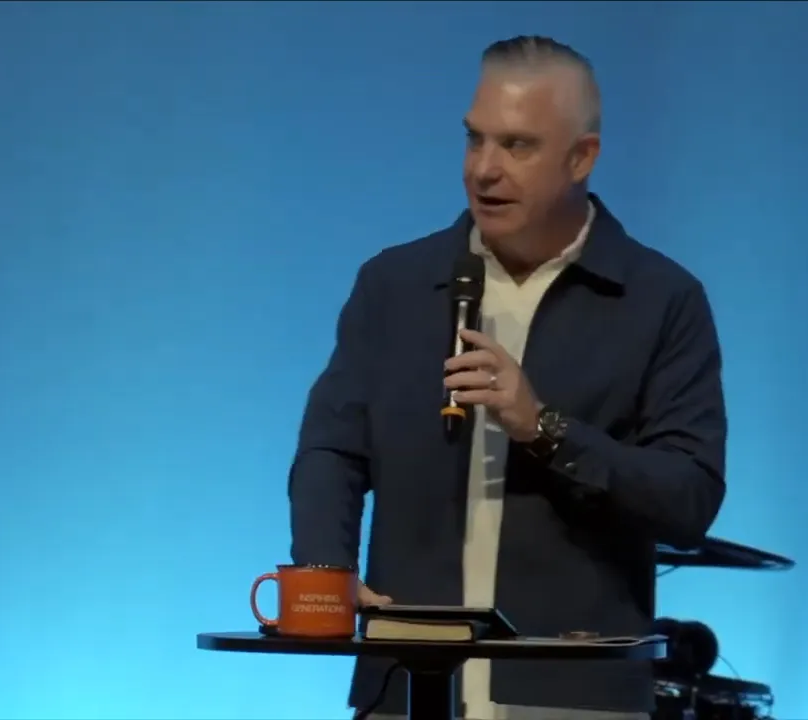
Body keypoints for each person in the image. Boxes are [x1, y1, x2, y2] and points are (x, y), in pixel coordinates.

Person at [288, 35, 727, 720]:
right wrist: (324, 573)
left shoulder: (659, 299)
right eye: (474, 140)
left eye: (517, 146)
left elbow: (690, 497)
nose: (484, 170)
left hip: (575, 699)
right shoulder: (396, 285)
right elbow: (332, 448)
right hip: (406, 687)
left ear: (582, 158)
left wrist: (545, 429)